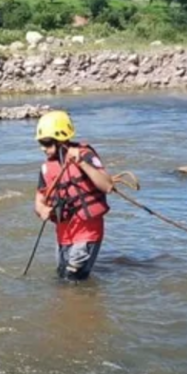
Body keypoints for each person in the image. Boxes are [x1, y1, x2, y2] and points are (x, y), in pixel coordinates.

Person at [32, 110, 114, 281]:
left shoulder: (85, 155)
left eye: (46, 143)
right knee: (62, 279)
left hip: (87, 233)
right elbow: (39, 201)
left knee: (73, 281)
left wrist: (82, 164)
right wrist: (42, 210)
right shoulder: (46, 168)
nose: (43, 148)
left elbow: (107, 186)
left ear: (61, 138)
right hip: (63, 236)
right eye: (40, 143)